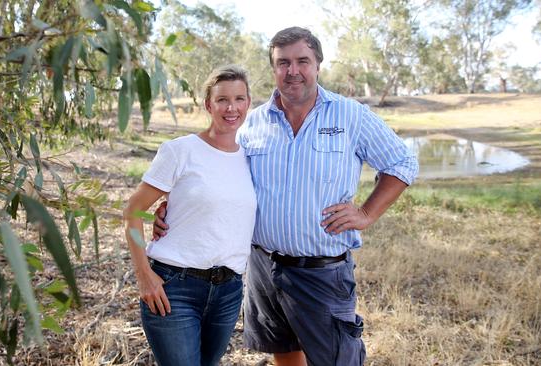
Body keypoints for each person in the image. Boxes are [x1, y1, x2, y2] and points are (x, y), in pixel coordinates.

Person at [154, 27, 419, 366]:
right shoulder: (253, 123)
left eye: (302, 61)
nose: (293, 71)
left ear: (318, 64)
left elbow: (402, 162)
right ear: (274, 68)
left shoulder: (349, 115)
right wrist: (173, 209)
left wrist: (367, 213)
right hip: (264, 267)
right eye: (283, 63)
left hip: (321, 272)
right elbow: (221, 175)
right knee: (284, 355)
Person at [123, 65, 257, 366]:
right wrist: (144, 276)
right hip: (175, 288)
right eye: (222, 99)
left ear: (249, 103)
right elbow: (132, 211)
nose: (231, 107)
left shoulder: (251, 157)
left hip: (229, 290)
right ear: (208, 105)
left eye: (239, 98)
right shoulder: (180, 151)